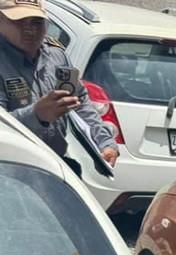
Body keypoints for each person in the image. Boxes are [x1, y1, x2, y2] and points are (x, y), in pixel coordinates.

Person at [0, 0, 118, 173]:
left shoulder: (55, 54)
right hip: (10, 169)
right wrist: (36, 115)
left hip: (52, 166)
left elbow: (79, 100)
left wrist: (104, 142)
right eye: (19, 21)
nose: (30, 30)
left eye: (36, 22)